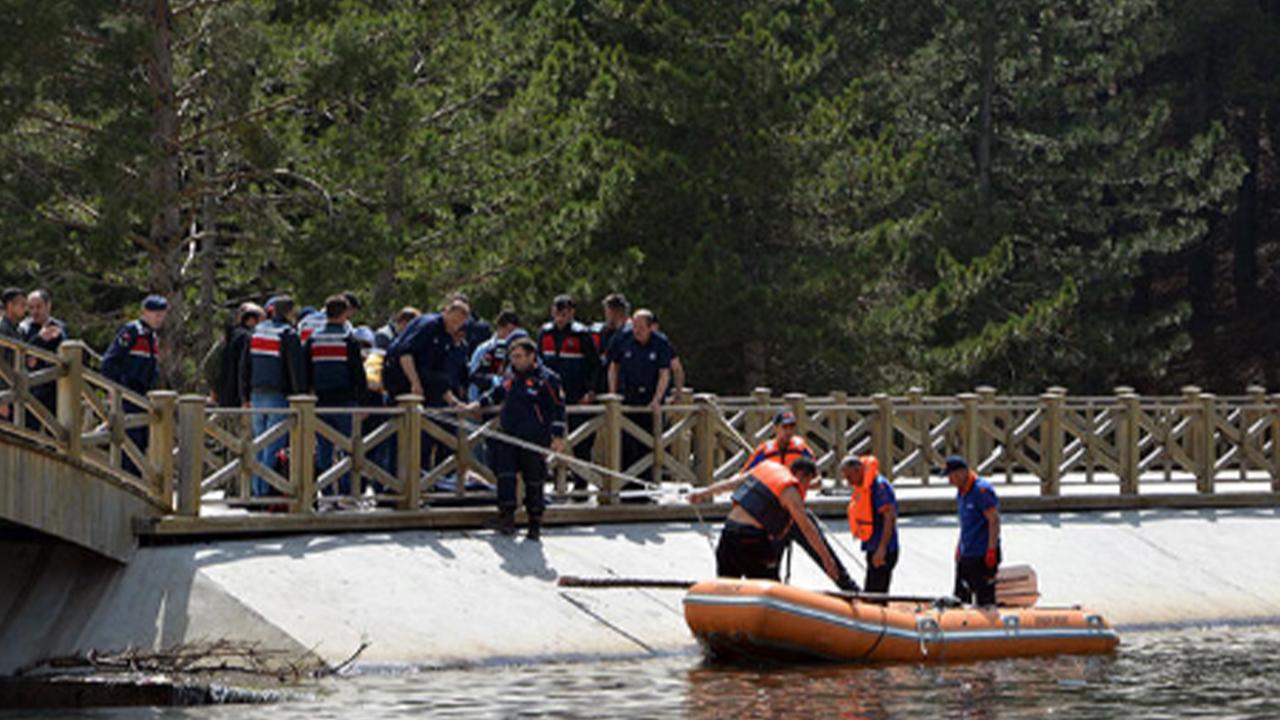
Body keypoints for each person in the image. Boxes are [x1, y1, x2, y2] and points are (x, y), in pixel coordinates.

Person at [688, 457, 856, 590]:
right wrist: (827, 559)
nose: (805, 489)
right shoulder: (791, 491)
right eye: (806, 483)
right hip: (750, 540)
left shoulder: (766, 468)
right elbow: (806, 527)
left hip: (728, 534)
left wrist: (704, 492)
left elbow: (734, 483)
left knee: (728, 587)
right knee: (770, 587)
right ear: (801, 475)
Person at [471, 336, 565, 540]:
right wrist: (478, 404)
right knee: (505, 475)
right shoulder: (510, 375)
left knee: (534, 480)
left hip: (534, 438)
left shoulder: (547, 379)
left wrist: (557, 436)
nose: (515, 361)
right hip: (508, 435)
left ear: (532, 356)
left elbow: (558, 408)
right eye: (512, 357)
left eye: (519, 356)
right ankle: (506, 517)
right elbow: (497, 392)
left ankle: (535, 522)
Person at [384, 298, 471, 470]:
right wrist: (414, 384)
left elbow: (439, 375)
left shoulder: (447, 337)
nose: (455, 327)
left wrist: (452, 400)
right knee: (401, 437)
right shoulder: (429, 325)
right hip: (403, 384)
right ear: (446, 312)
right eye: (453, 321)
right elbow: (405, 354)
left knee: (435, 434)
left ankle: (426, 478)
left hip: (427, 389)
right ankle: (394, 483)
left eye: (459, 324)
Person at [241, 294, 305, 498]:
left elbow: (245, 366)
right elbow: (295, 368)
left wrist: (244, 396)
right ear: (290, 312)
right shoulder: (288, 334)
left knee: (259, 443)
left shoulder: (257, 332)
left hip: (256, 392)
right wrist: (299, 396)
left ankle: (255, 490)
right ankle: (266, 490)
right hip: (278, 394)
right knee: (273, 444)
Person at [305, 296, 367, 498]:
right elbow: (358, 373)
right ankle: (348, 492)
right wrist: (362, 401)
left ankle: (326, 490)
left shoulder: (313, 339)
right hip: (344, 400)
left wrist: (310, 391)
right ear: (344, 313)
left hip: (320, 401)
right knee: (348, 447)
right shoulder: (349, 339)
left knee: (324, 448)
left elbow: (306, 369)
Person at [607, 309, 672, 496]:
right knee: (627, 445)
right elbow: (614, 365)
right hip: (628, 400)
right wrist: (613, 393)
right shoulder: (623, 339)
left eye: (641, 327)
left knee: (649, 445)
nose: (636, 330)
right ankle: (626, 487)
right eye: (634, 326)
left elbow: (664, 373)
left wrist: (657, 399)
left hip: (650, 402)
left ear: (651, 327)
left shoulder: (661, 343)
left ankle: (647, 488)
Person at [101, 295, 167, 473]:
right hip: (127, 393)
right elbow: (109, 362)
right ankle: (127, 480)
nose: (158, 318)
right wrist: (113, 388)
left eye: (161, 315)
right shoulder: (133, 331)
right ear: (145, 313)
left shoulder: (152, 337)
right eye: (155, 314)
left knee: (141, 442)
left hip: (143, 395)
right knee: (129, 441)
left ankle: (137, 481)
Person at [942, 455, 1001, 606]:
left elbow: (993, 520)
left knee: (984, 598)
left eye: (951, 476)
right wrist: (959, 547)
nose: (950, 481)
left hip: (982, 553)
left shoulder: (981, 490)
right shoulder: (961, 492)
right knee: (961, 596)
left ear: (961, 472)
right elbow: (965, 523)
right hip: (967, 552)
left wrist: (991, 550)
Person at [842, 455, 899, 593]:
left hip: (884, 549)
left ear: (858, 470)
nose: (849, 482)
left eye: (849, 477)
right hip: (872, 547)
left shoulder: (879, 486)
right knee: (871, 590)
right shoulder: (863, 487)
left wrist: (882, 549)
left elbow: (889, 518)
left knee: (877, 593)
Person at [18, 289, 68, 430]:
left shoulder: (59, 326)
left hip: (53, 385)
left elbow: (64, 351)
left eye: (38, 307)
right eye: (31, 308)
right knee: (29, 427)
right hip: (31, 385)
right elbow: (22, 352)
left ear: (48, 306)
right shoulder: (24, 327)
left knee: (55, 430)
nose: (34, 311)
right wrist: (39, 339)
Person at [212, 302, 264, 408]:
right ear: (253, 319)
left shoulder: (227, 337)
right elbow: (245, 368)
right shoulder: (248, 338)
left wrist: (215, 388)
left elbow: (212, 363)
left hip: (224, 394)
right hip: (239, 397)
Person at [744, 410, 814, 472]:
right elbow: (745, 474)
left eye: (792, 426)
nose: (789, 431)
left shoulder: (801, 449)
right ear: (776, 428)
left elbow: (817, 478)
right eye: (784, 427)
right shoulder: (764, 451)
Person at [591, 293, 630, 395]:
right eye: (609, 310)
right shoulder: (597, 332)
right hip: (600, 386)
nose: (610, 313)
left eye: (615, 310)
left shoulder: (629, 334)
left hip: (624, 387)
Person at [0, 288, 28, 421]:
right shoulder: (2, 328)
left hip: (15, 388)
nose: (25, 309)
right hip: (5, 391)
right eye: (22, 304)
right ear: (10, 305)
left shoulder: (18, 330)